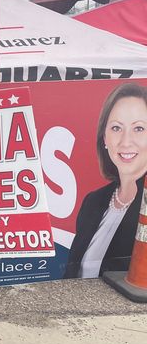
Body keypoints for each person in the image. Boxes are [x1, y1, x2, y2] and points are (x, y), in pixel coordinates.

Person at [65, 83, 147, 278]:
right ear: (104, 137)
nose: (126, 141)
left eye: (139, 128)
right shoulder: (93, 202)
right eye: (117, 128)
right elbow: (70, 273)